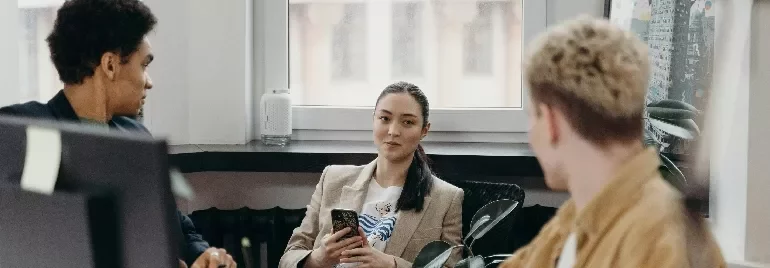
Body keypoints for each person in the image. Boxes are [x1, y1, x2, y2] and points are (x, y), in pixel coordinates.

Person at [0, 0, 235, 267]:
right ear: (110, 65)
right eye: (144, 65)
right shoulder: (33, 134)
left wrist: (201, 255)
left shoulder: (136, 136)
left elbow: (178, 225)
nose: (149, 81)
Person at [499, 16, 725, 268]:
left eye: (532, 117)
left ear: (552, 122)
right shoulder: (575, 221)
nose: (531, 135)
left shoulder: (661, 239)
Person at [279, 82, 463, 268]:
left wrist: (391, 265)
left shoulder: (446, 198)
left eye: (408, 122)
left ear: (424, 130)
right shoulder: (333, 179)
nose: (393, 131)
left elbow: (453, 266)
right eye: (384, 118)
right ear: (373, 120)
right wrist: (319, 258)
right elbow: (289, 256)